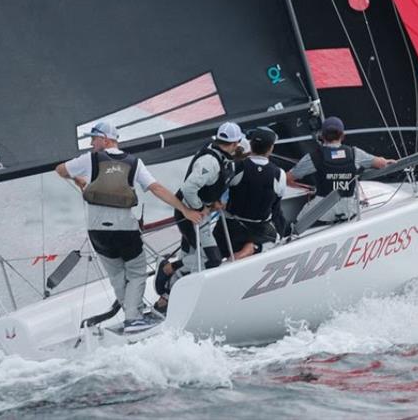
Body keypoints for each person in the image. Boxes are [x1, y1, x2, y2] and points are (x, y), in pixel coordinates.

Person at [55, 121, 202, 333]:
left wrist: (77, 178)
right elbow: (157, 188)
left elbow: (60, 170)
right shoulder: (134, 163)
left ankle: (132, 315)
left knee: (116, 275)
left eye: (94, 139)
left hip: (97, 232)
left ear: (105, 140)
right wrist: (185, 210)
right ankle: (133, 318)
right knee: (136, 272)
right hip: (125, 229)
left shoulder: (90, 160)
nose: (91, 143)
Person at [153, 122, 242, 312]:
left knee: (191, 253)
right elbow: (188, 188)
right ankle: (170, 274)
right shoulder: (210, 162)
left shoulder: (221, 157)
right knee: (212, 260)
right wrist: (200, 208)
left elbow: (210, 186)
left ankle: (168, 292)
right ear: (235, 143)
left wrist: (214, 202)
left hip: (200, 213)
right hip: (190, 215)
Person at [287, 116, 395, 226]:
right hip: (348, 210)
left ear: (322, 136)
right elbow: (381, 164)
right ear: (343, 136)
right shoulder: (355, 153)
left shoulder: (313, 157)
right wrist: (386, 160)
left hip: (322, 212)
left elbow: (288, 178)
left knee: (296, 224)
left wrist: (308, 188)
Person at [213, 127, 286, 260]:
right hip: (259, 229)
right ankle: (254, 247)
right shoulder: (279, 174)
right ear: (271, 148)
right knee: (274, 238)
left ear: (250, 145)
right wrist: (282, 232)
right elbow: (276, 209)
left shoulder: (236, 167)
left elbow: (216, 191)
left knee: (212, 250)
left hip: (230, 229)